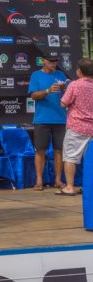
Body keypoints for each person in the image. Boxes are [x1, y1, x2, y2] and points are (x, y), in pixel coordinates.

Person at [28, 52, 68, 191]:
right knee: (40, 151)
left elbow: (68, 95)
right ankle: (39, 181)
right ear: (43, 61)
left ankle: (58, 180)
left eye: (55, 61)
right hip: (42, 120)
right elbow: (33, 96)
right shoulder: (36, 75)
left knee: (59, 150)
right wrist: (47, 90)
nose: (53, 63)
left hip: (61, 119)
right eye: (51, 61)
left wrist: (64, 89)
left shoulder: (61, 75)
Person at [58, 58, 93, 196]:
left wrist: (63, 90)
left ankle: (70, 187)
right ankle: (89, 187)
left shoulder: (75, 85)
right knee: (90, 158)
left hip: (77, 127)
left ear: (80, 71)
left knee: (70, 158)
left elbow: (63, 103)